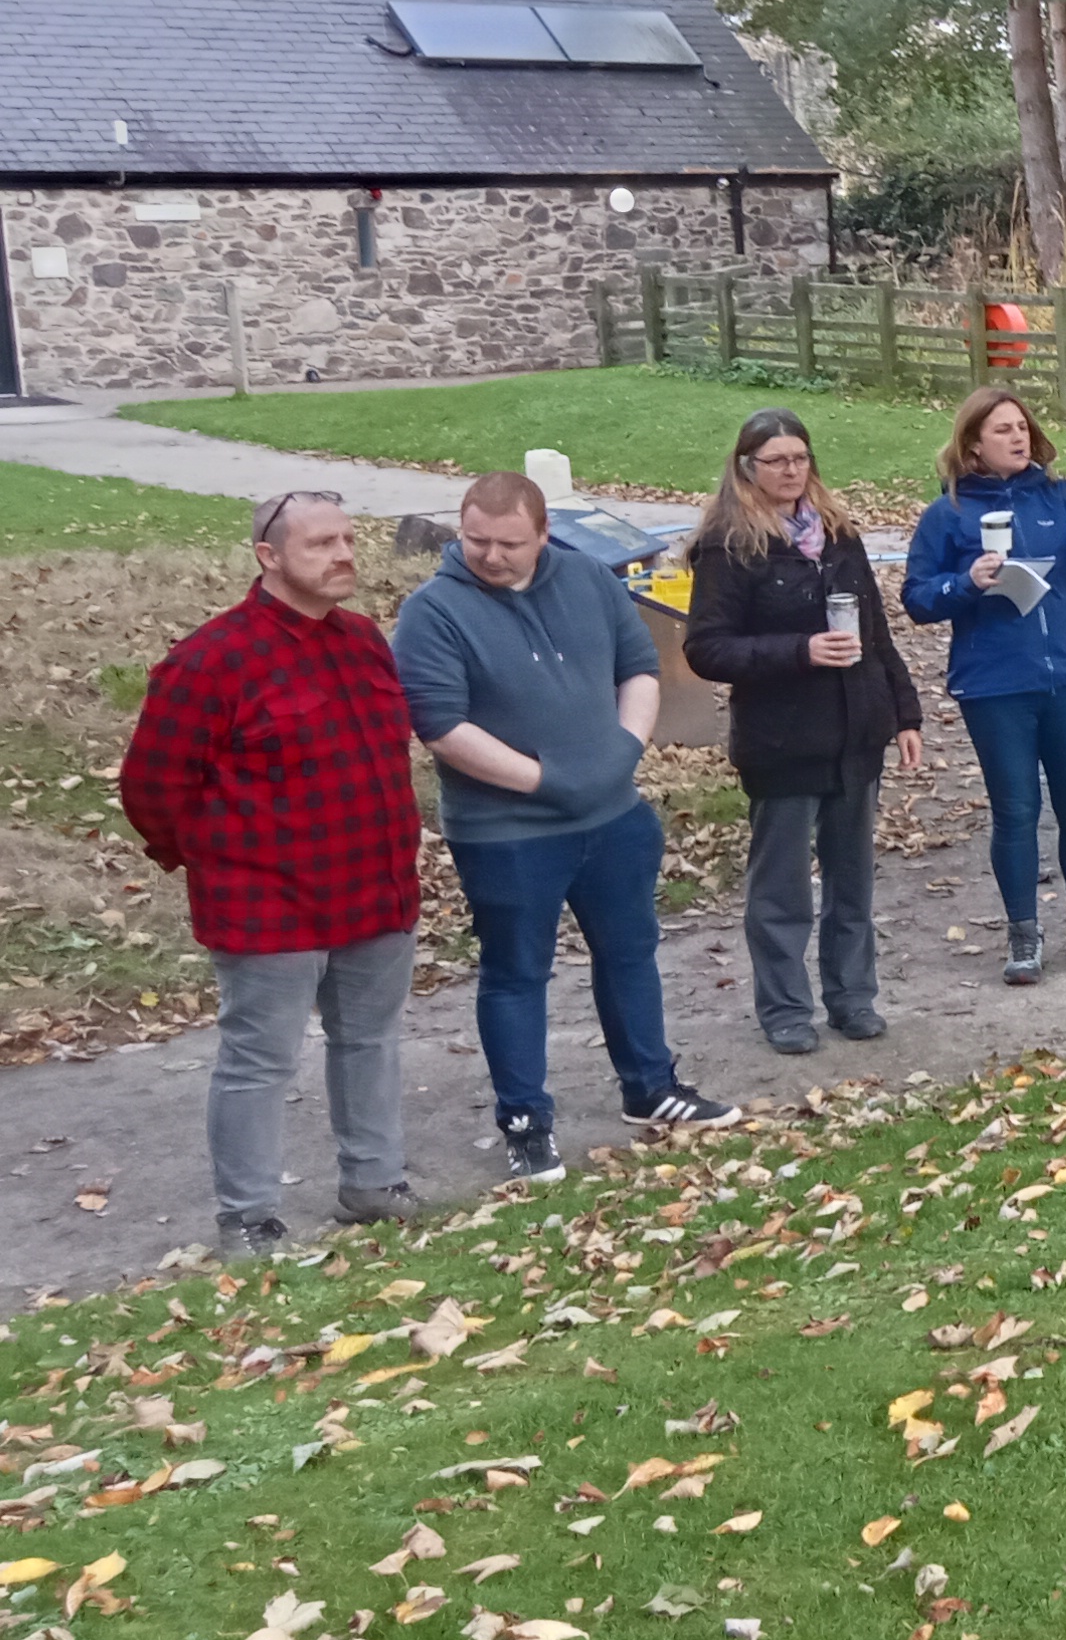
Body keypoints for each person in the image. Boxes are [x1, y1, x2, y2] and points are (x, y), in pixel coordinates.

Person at [395, 471, 738, 1181]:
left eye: (508, 544)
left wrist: (624, 751)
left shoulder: (588, 580)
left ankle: (651, 1088)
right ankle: (525, 1119)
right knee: (517, 972)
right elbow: (442, 726)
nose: (490, 556)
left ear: (543, 534)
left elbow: (638, 668)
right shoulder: (433, 611)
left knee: (630, 951)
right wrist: (545, 780)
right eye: (475, 541)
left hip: (613, 815)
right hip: (507, 831)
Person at [121, 490, 425, 1246]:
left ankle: (372, 1180)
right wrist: (222, 858)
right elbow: (151, 788)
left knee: (370, 1041)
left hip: (375, 891)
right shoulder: (210, 662)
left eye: (349, 539)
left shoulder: (363, 640)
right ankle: (249, 1217)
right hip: (270, 906)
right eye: (321, 543)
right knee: (260, 1062)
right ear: (268, 556)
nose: (343, 554)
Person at [682, 408, 924, 1055]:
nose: (790, 471)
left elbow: (874, 630)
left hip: (855, 729)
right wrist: (800, 650)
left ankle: (852, 997)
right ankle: (786, 1008)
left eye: (799, 458)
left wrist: (904, 712)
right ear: (746, 468)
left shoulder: (837, 534)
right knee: (783, 887)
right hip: (782, 737)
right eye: (776, 461)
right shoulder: (729, 545)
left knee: (853, 881)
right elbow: (707, 648)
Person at [900, 388, 1066, 985]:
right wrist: (968, 582)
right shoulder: (948, 514)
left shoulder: (1060, 498)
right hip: (995, 685)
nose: (1018, 437)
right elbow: (918, 598)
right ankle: (1023, 933)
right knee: (1016, 812)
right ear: (973, 444)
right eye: (1003, 429)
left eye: (1023, 427)